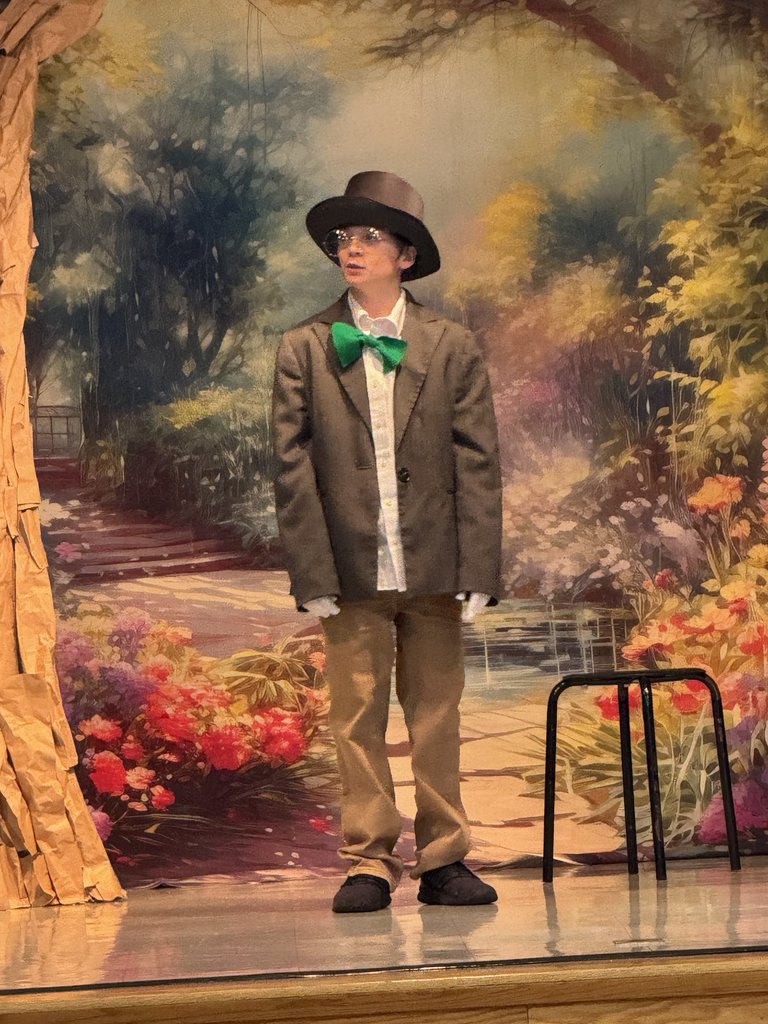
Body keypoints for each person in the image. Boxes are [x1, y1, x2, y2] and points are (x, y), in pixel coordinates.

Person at [272, 171, 502, 913]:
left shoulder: (452, 345)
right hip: (349, 566)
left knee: (437, 712)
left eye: (369, 235)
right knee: (355, 715)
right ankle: (368, 859)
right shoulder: (304, 346)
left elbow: (478, 463)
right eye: (343, 237)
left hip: (433, 562)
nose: (351, 248)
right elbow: (292, 466)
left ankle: (444, 858)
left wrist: (479, 567)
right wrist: (312, 569)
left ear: (406, 255)